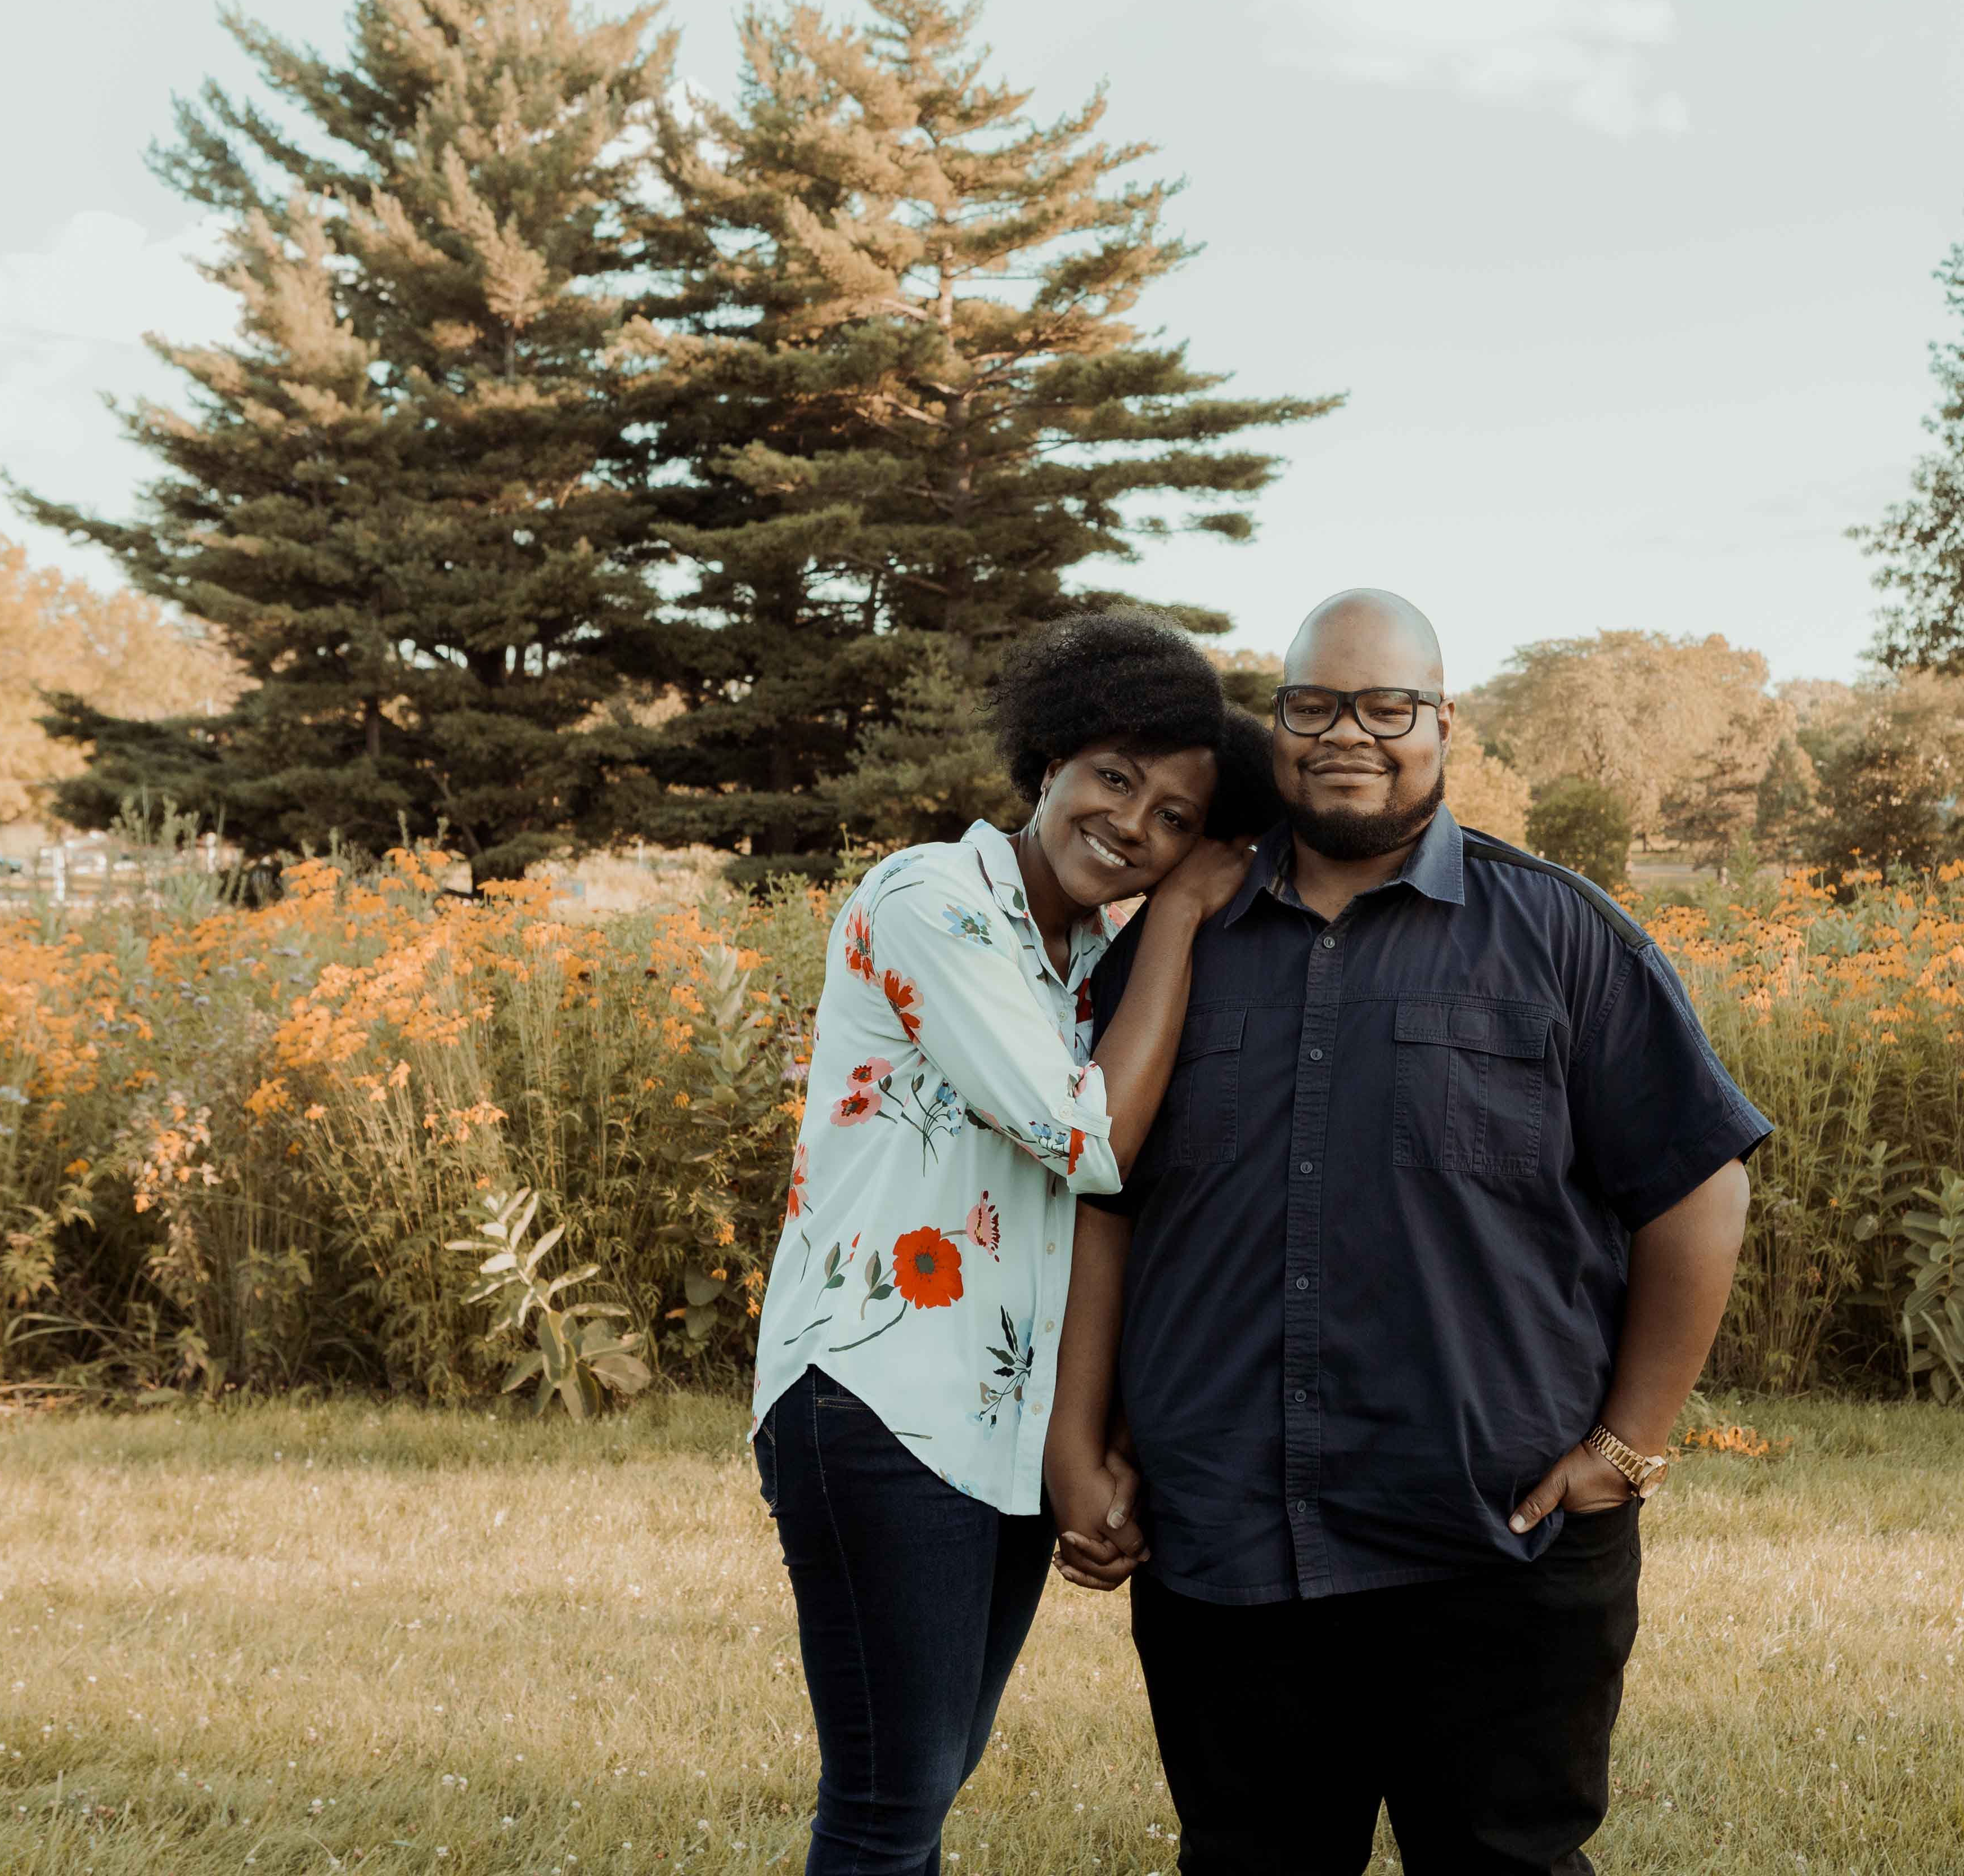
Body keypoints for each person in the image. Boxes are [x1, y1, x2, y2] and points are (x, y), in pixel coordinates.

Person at [1047, 589, 1767, 1876]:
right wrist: (1079, 1441)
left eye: (1389, 707)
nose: (1350, 734)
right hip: (1227, 1536)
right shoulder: (1172, 942)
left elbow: (1699, 1186)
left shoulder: (1558, 933)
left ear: (1444, 721)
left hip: (1495, 1538)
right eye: (1316, 705)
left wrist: (1629, 1447)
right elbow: (1101, 1194)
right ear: (1276, 723)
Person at [749, 611, 1278, 1874]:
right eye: (1114, 778)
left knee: (923, 1783)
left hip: (990, 1419)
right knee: (887, 1805)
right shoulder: (933, 896)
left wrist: (1080, 1445)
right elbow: (1085, 1143)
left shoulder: (1087, 953)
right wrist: (1192, 918)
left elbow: (1088, 1218)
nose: (1132, 826)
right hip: (877, 1401)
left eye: (1173, 819)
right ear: (1050, 759)